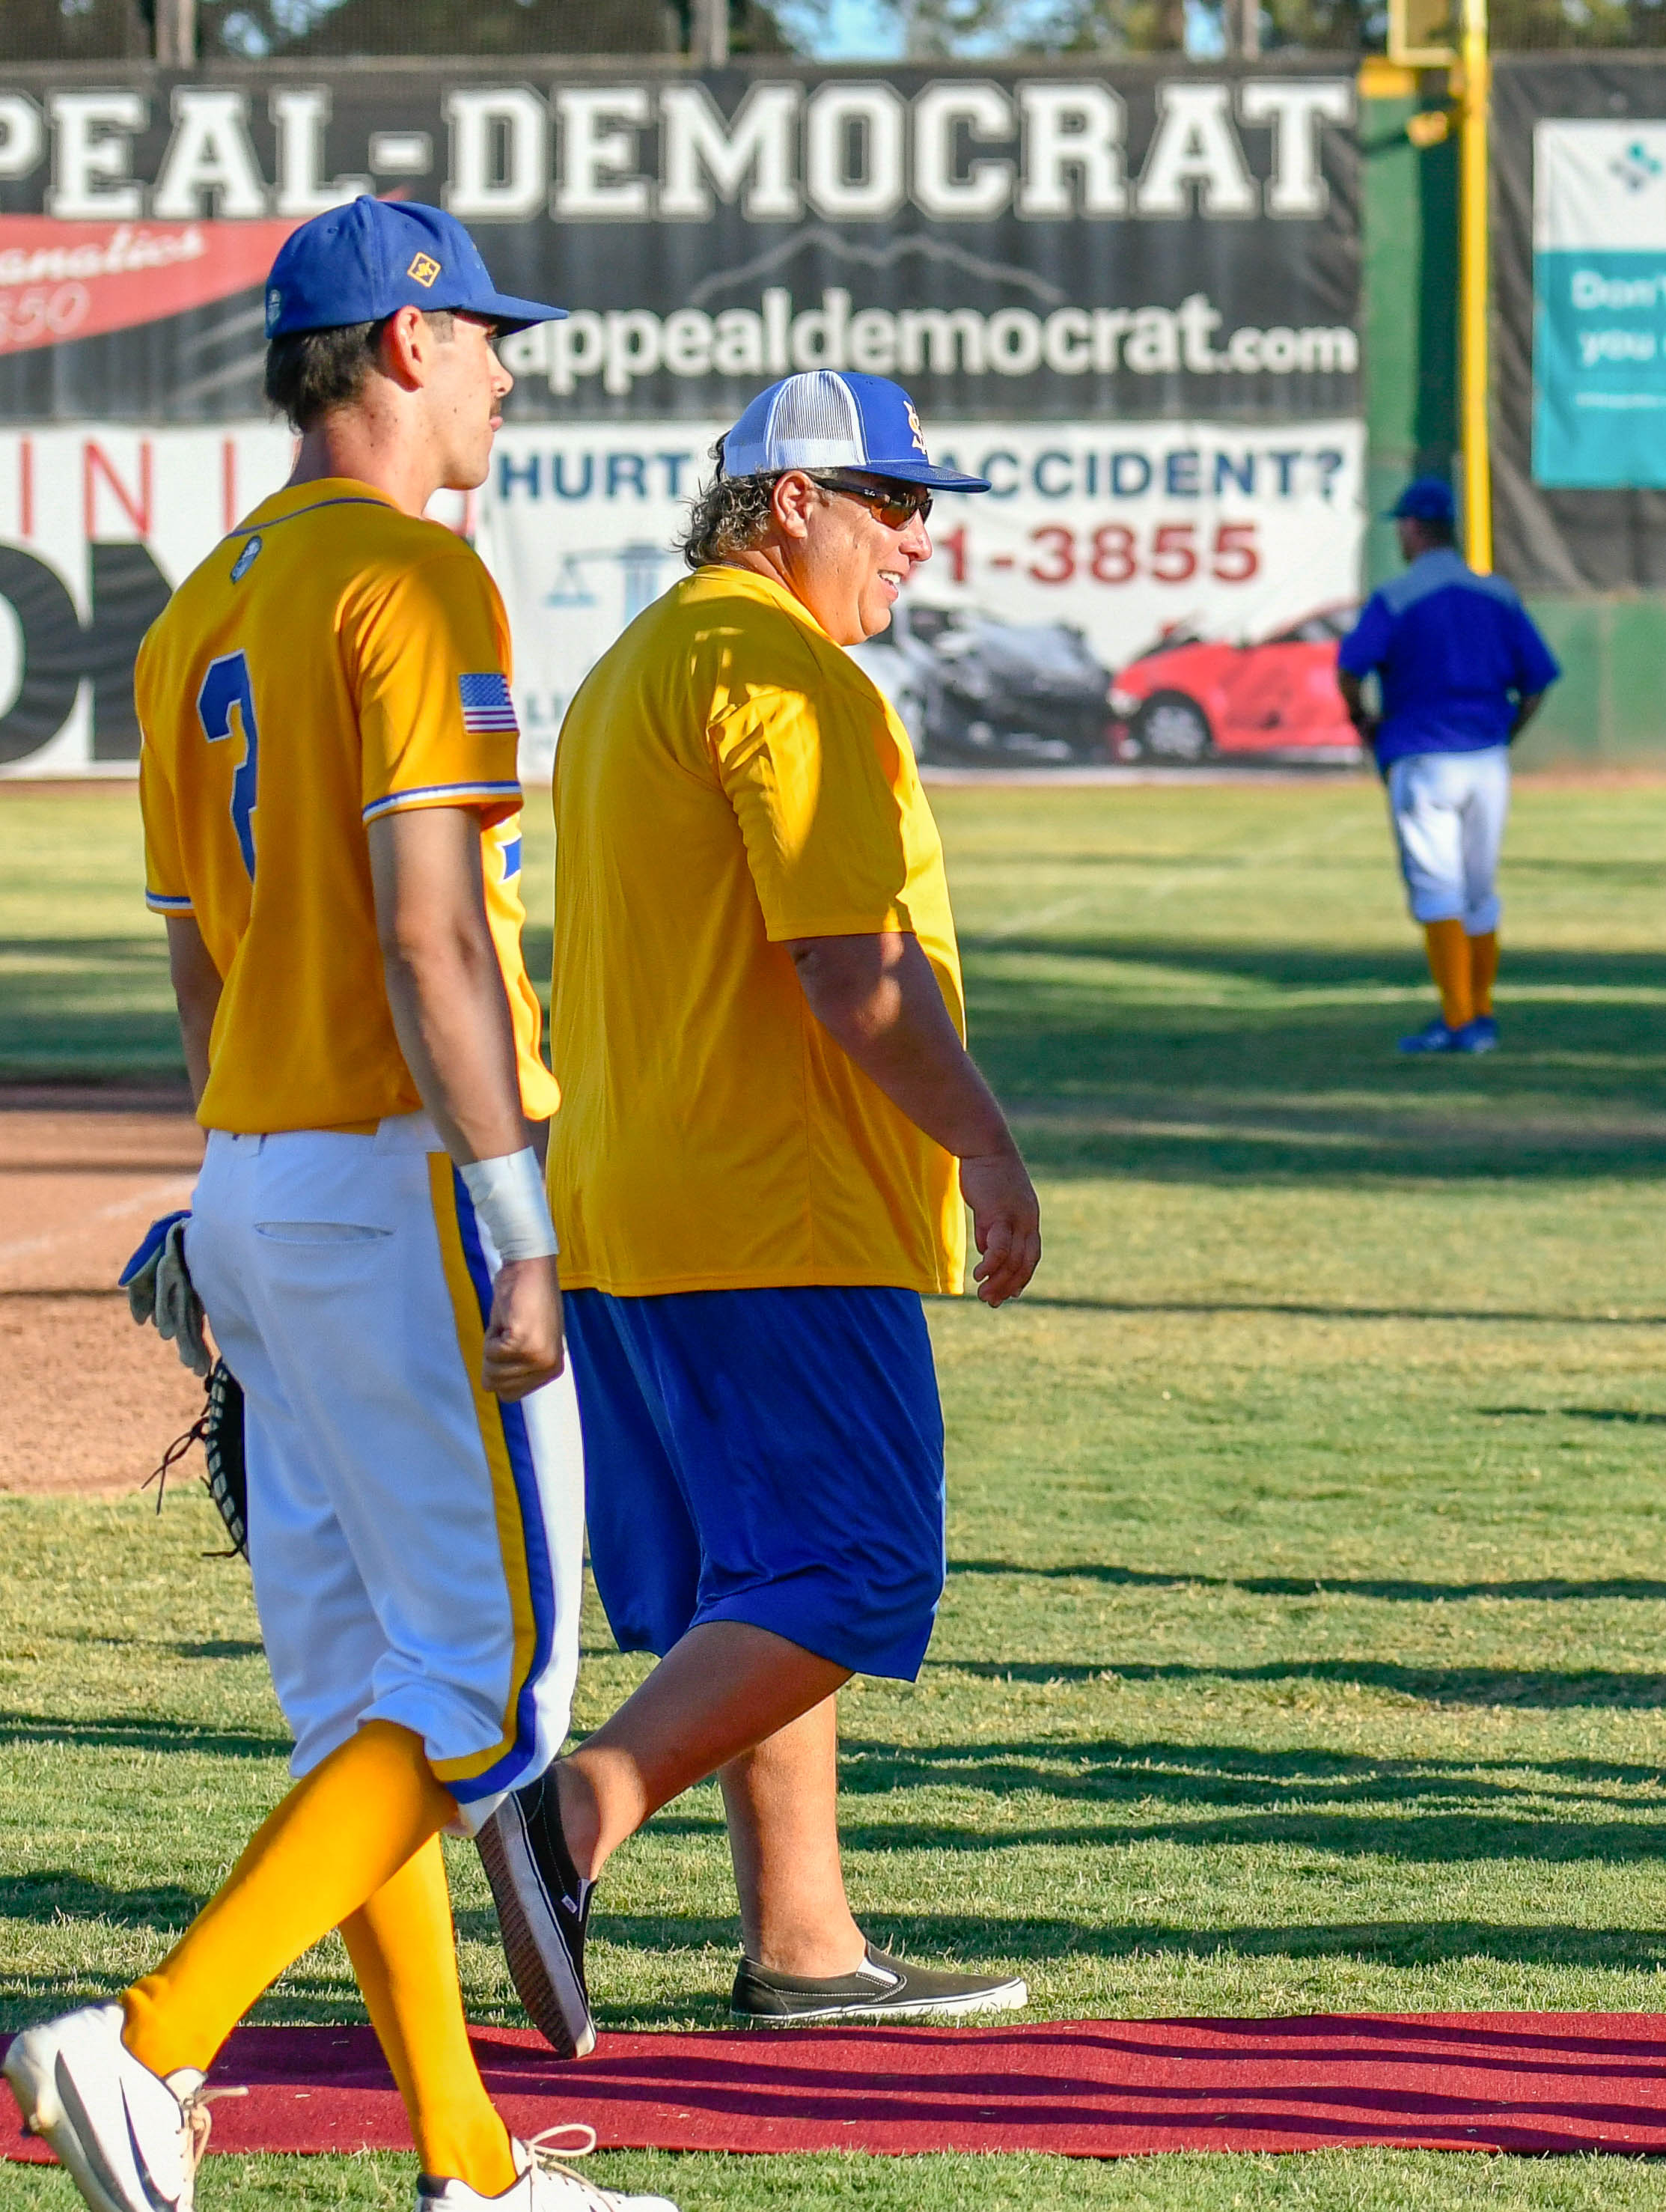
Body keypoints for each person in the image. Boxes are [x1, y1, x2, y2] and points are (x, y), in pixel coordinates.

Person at [3, 199, 666, 2212]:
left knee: (370, 1696)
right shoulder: (416, 577)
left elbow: (199, 960)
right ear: (397, 340)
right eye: (482, 336)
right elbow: (431, 931)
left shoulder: (200, 600)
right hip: (401, 1184)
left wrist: (233, 1187)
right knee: (490, 1691)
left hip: (256, 1177)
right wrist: (520, 1209)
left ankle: (468, 2164)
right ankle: (150, 2032)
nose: (507, 371)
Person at [472, 370, 1044, 2056]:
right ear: (789, 499)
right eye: (890, 501)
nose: (917, 539)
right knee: (858, 1568)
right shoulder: (784, 669)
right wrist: (990, 1149)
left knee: (762, 1577)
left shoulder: (648, 655)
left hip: (632, 1204)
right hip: (770, 1207)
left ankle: (804, 1941)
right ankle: (575, 1814)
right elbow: (850, 971)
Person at [1337, 478, 1561, 1055]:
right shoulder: (1498, 594)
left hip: (1424, 755)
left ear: (1413, 528)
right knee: (1480, 892)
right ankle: (1479, 1015)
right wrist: (1506, 733)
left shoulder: (1397, 595)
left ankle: (1459, 1020)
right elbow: (1536, 683)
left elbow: (1350, 667)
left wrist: (1363, 723)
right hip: (1486, 758)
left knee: (1438, 890)